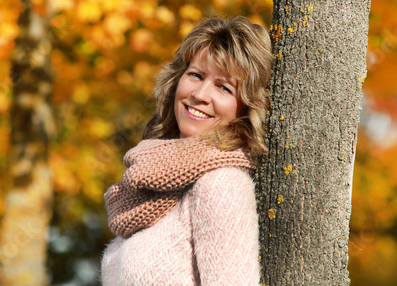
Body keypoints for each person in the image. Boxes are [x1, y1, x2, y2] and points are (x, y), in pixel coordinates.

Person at [101, 16, 273, 285]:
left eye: (224, 87)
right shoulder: (151, 184)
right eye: (196, 75)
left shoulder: (221, 184)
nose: (201, 94)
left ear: (246, 109)